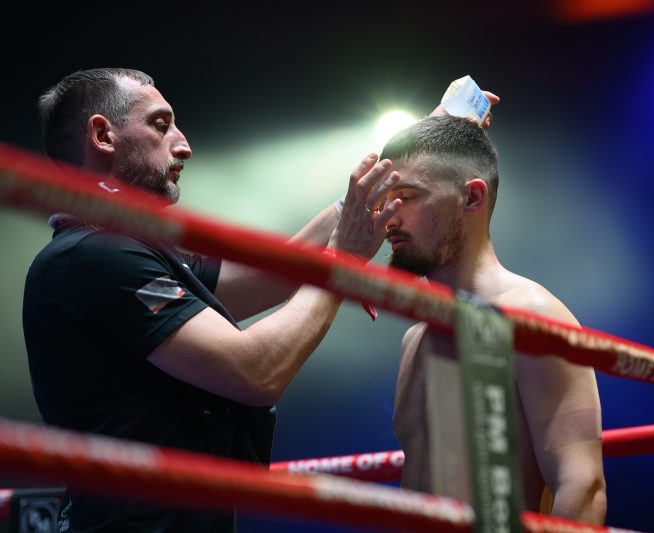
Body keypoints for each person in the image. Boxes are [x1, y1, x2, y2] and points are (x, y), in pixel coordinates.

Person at [22, 67, 405, 532]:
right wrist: (341, 261)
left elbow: (271, 276)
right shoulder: (95, 257)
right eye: (160, 125)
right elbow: (257, 371)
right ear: (103, 136)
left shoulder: (120, 250)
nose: (183, 145)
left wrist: (376, 185)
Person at [381, 115, 607, 525]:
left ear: (471, 198)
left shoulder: (532, 316)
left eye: (407, 197)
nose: (389, 218)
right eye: (384, 201)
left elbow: (582, 486)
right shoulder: (414, 338)